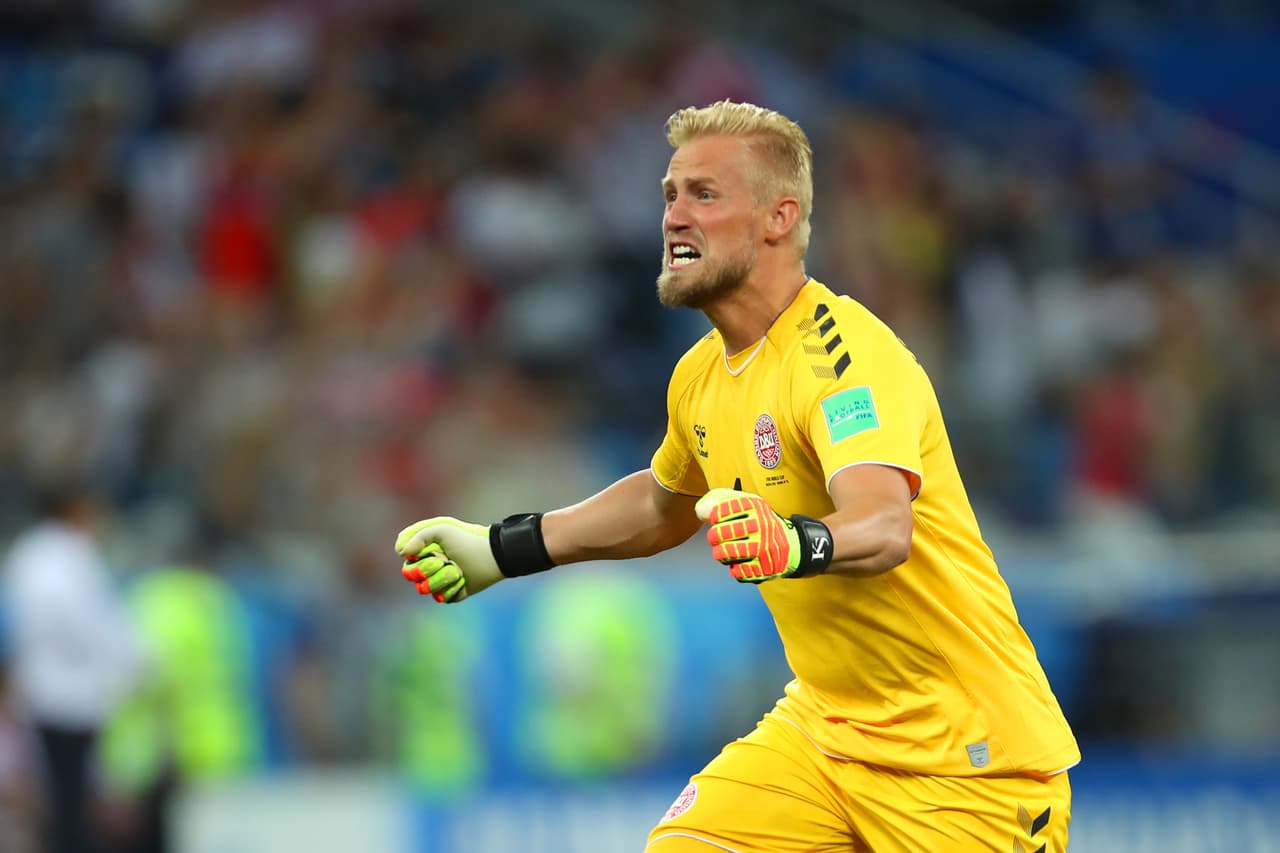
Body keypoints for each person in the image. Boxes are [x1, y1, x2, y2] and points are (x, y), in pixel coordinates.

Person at [394, 100, 1080, 853]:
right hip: (826, 735)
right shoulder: (699, 375)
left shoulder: (841, 357)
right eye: (669, 195)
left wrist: (791, 542)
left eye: (703, 195)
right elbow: (662, 504)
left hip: (968, 761)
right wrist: (503, 548)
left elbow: (884, 522)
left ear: (777, 218)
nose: (673, 217)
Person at [1, 484, 142, 853]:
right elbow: (91, 623)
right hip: (74, 693)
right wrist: (132, 662)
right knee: (74, 796)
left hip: (39, 688)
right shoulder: (72, 556)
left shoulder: (25, 554)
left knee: (57, 792)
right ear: (76, 509)